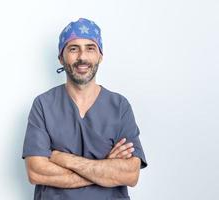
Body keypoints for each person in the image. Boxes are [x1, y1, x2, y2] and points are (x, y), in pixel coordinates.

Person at [22, 17, 148, 200]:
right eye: (73, 49)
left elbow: (130, 175)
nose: (82, 57)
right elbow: (36, 173)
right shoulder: (43, 105)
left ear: (100, 56)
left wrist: (65, 159)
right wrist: (105, 169)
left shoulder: (120, 106)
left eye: (90, 48)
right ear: (60, 57)